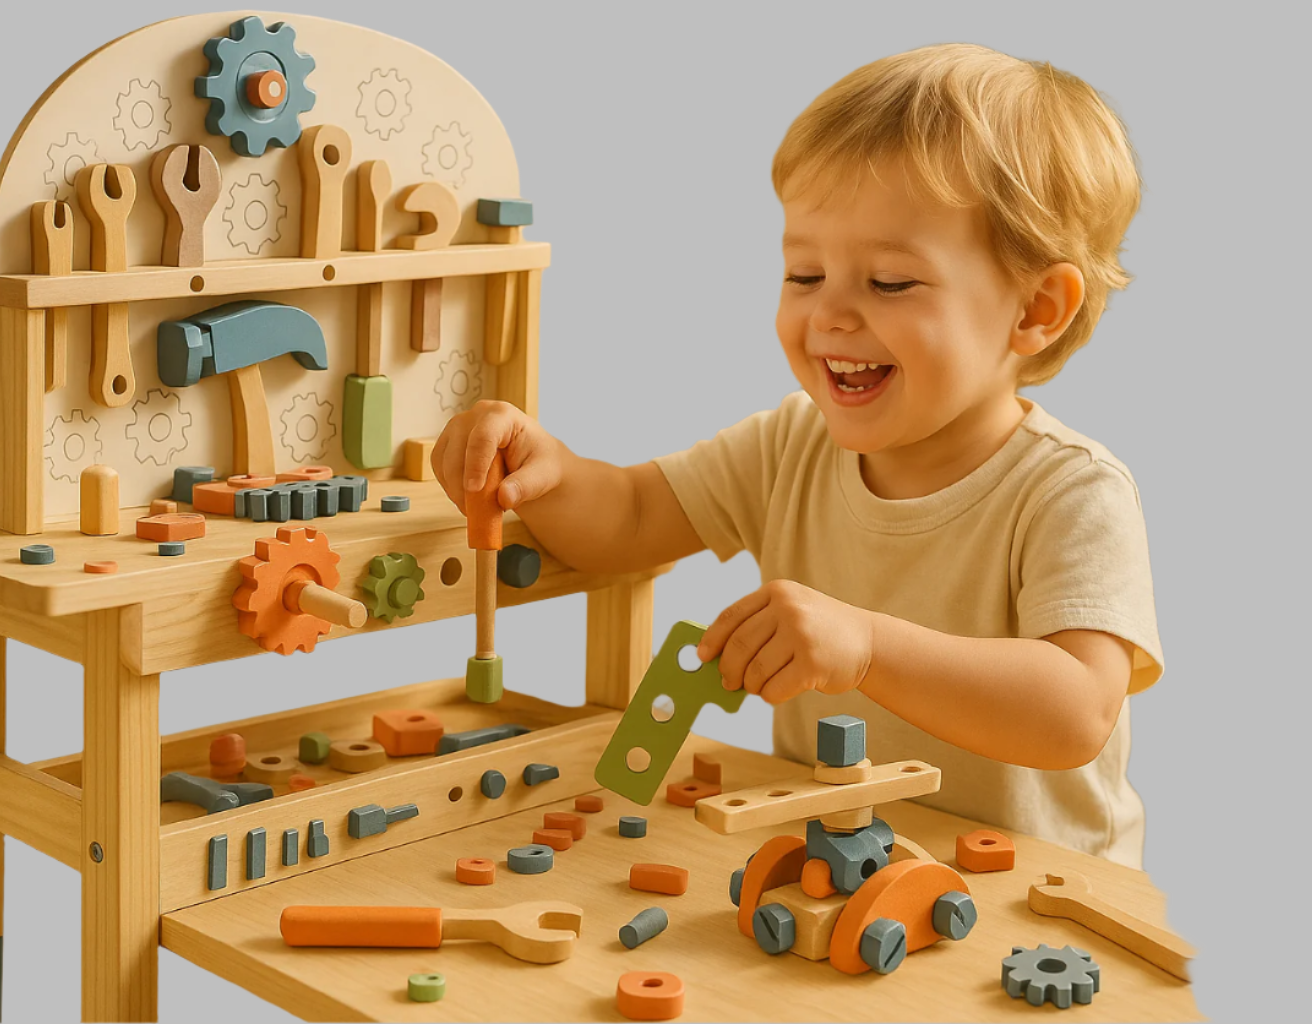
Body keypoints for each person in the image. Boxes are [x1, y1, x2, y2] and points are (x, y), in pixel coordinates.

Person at [433, 42, 1160, 868]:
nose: (831, 316)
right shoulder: (790, 444)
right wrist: (546, 469)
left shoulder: (1071, 491)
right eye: (803, 273)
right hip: (838, 867)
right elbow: (629, 519)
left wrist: (869, 646)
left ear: (1035, 308)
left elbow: (1073, 713)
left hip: (1041, 907)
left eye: (889, 282)